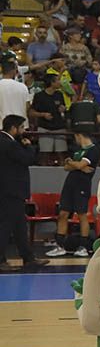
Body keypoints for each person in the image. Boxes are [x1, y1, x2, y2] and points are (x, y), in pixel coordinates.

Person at [0, 115, 45, 270]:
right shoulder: (10, 145)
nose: (23, 131)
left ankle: (28, 257)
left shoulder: (5, 142)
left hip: (7, 191)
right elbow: (28, 159)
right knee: (5, 226)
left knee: (19, 226)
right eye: (21, 127)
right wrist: (28, 146)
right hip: (11, 191)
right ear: (13, 128)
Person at [45, 130, 100, 257]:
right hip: (69, 184)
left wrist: (73, 164)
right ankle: (60, 246)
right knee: (63, 213)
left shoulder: (93, 150)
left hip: (82, 185)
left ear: (79, 135)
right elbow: (67, 167)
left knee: (81, 214)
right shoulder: (77, 150)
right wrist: (75, 165)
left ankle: (83, 247)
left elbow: (80, 165)